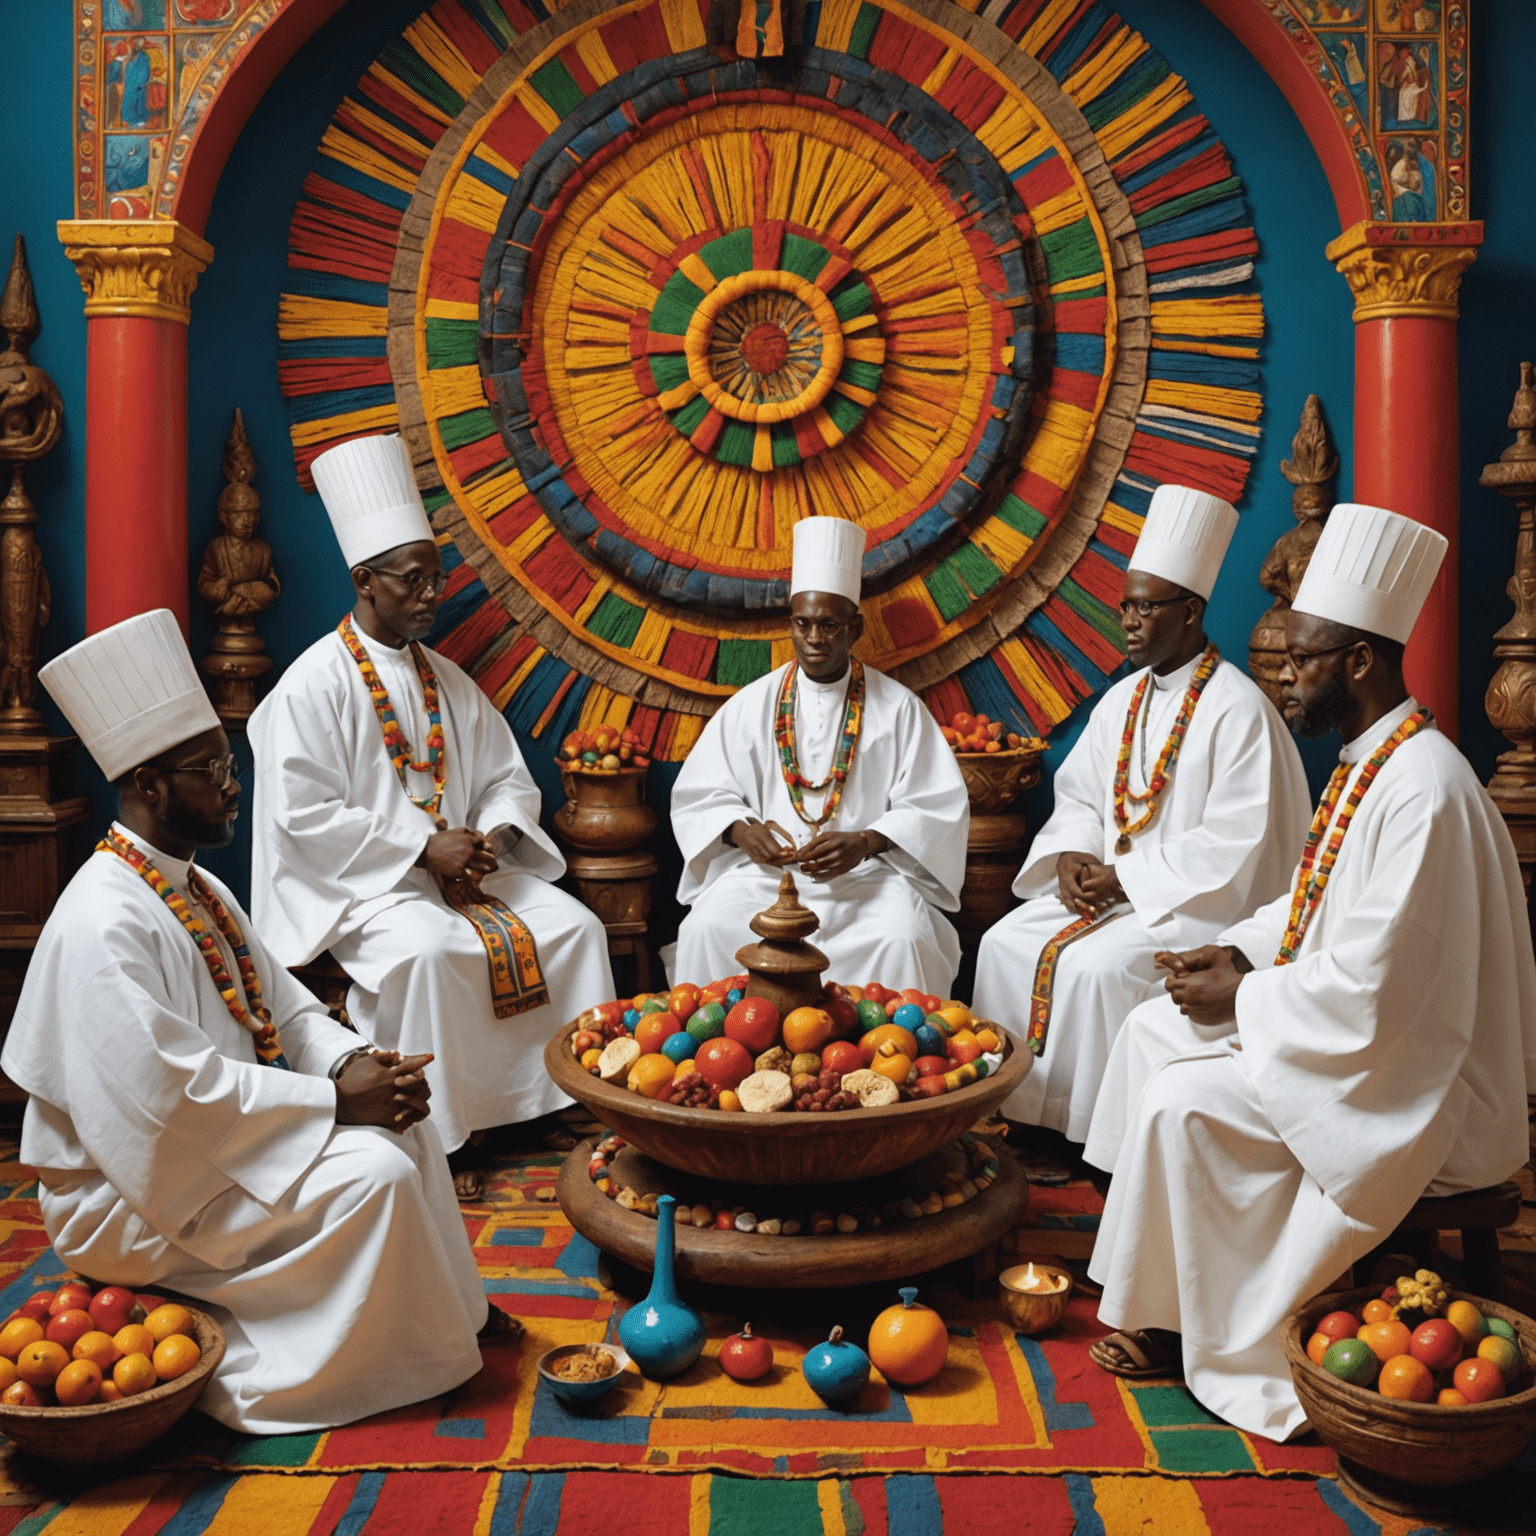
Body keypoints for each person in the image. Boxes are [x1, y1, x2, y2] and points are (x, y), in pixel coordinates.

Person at [1084, 503, 1536, 1440]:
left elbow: (1388, 988)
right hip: (1366, 1039)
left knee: (1180, 1098)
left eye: (1302, 662)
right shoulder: (1370, 762)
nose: (1282, 680)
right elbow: (1313, 908)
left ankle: (1183, 1322)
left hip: (1428, 1087)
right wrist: (1241, 952)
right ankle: (1162, 1281)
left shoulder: (1426, 790)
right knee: (1152, 1029)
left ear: (1361, 662)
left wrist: (1245, 995)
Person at [2, 610, 501, 1435]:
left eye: (230, 764)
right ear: (150, 787)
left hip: (207, 1146)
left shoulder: (195, 886)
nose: (234, 786)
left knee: (409, 1126)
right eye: (212, 771)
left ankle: (449, 1324)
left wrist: (351, 1065)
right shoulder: (104, 917)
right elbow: (166, 1097)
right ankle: (335, 1371)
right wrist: (338, 1107)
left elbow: (286, 1011)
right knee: (372, 1175)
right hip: (128, 1191)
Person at [249, 434, 613, 1201]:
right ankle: (439, 1133)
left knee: (575, 929)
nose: (430, 595)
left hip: (466, 873)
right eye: (412, 580)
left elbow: (506, 779)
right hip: (365, 888)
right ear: (364, 581)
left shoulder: (445, 679)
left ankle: (551, 1100)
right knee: (422, 953)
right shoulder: (312, 685)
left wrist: (496, 835)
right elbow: (302, 816)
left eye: (435, 577)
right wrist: (422, 850)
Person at [972, 485, 1310, 1152]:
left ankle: (1084, 1139)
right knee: (1002, 944)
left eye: (1146, 607)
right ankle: (1003, 1123)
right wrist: (1071, 856)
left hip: (1198, 906)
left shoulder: (1239, 710)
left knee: (1099, 971)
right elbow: (1083, 800)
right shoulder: (1122, 700)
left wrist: (1126, 879)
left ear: (1189, 612)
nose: (1127, 621)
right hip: (1114, 892)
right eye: (1125, 605)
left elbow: (1235, 842)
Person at [670, 516, 969, 994]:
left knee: (902, 937)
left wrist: (868, 841)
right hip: (765, 879)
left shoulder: (900, 710)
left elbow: (934, 806)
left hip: (867, 881)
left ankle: (893, 1063)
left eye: (829, 625)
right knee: (705, 928)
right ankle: (719, 1063)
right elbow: (701, 794)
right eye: (802, 624)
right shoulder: (751, 704)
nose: (814, 638)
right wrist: (742, 833)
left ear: (856, 629)